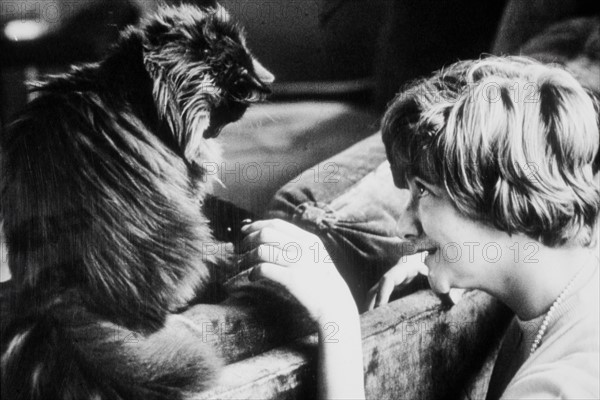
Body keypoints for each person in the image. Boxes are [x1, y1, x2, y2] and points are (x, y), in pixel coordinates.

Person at [239, 56, 600, 399]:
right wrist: (452, 261)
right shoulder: (569, 272)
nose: (402, 225)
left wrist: (338, 321)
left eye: (424, 191)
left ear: (503, 196)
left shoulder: (562, 387)